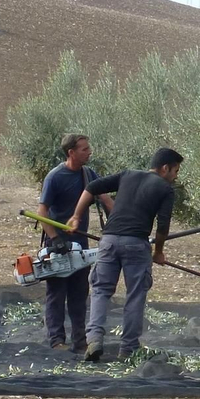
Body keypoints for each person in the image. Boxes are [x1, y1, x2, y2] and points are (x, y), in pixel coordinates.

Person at [68, 147, 183, 362]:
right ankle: (128, 348)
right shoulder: (165, 189)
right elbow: (163, 226)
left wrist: (76, 217)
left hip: (108, 241)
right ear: (165, 168)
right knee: (135, 296)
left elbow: (92, 187)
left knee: (101, 291)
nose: (175, 177)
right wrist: (158, 252)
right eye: (175, 171)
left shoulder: (128, 175)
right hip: (137, 245)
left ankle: (94, 339)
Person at [34, 133, 114, 353]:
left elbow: (106, 201)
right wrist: (55, 238)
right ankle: (57, 341)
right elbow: (42, 212)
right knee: (57, 294)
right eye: (84, 149)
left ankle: (80, 341)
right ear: (71, 152)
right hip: (57, 247)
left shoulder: (89, 175)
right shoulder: (55, 177)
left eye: (88, 148)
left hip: (81, 247)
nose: (89, 152)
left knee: (80, 294)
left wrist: (122, 223)